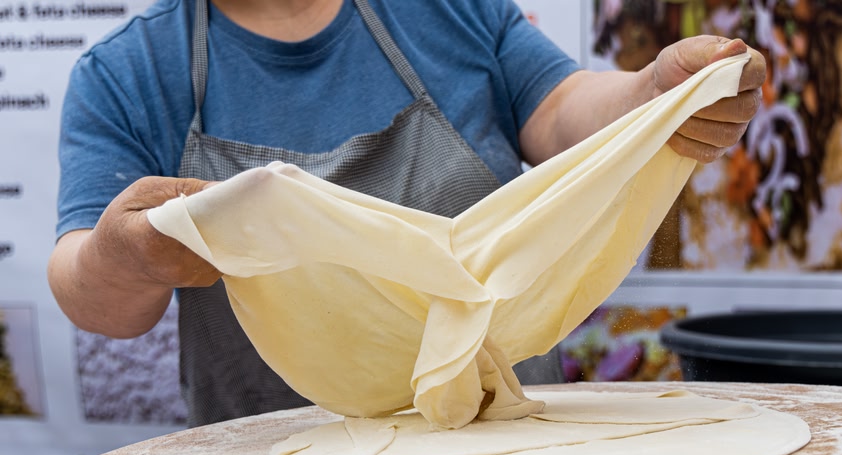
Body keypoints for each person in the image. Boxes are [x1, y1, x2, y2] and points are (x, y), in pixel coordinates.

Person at [47, 0, 764, 426]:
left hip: (506, 449)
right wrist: (124, 254)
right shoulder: (127, 73)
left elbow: (561, 111)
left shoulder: (448, 11)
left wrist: (652, 100)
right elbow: (91, 292)